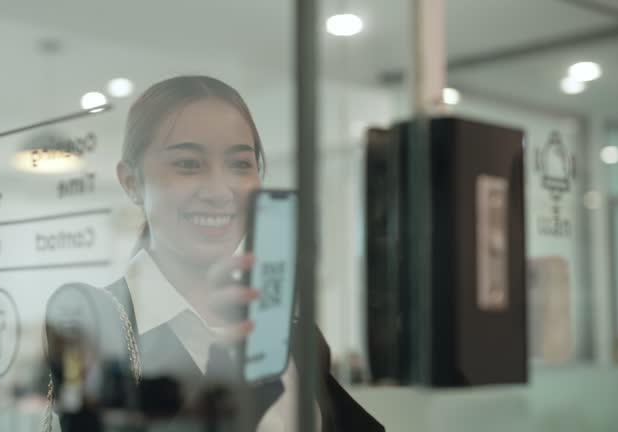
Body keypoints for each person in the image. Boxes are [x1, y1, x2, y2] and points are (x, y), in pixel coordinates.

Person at [50, 75, 383, 432]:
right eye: (188, 164)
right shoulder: (89, 326)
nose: (219, 190)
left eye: (240, 165)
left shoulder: (291, 335)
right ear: (131, 182)